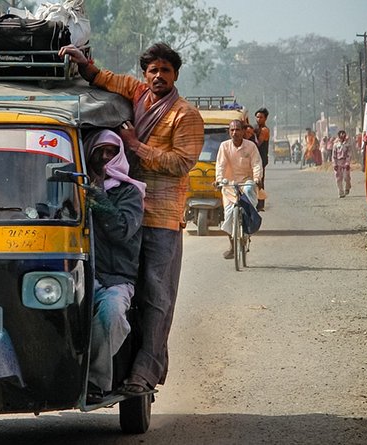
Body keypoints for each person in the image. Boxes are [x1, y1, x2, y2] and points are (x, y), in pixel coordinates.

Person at [59, 42, 204, 394]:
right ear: (145, 74)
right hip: (123, 204)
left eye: (165, 71)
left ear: (175, 75)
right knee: (118, 289)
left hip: (160, 216)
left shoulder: (185, 115)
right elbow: (107, 79)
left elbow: (182, 163)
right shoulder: (137, 93)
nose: (157, 76)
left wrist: (135, 146)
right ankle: (111, 367)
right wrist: (84, 65)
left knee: (155, 295)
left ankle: (144, 372)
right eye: (152, 70)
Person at [83, 129, 145, 402]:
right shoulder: (77, 187)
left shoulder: (130, 192)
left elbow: (122, 230)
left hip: (116, 279)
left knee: (112, 316)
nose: (106, 158)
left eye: (112, 152)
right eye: (100, 152)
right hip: (80, 276)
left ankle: (93, 381)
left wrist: (98, 199)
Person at [215, 120, 263, 259]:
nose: (235, 133)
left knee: (248, 191)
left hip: (246, 182)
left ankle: (250, 215)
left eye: (237, 130)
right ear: (229, 132)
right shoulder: (224, 146)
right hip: (230, 185)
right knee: (229, 215)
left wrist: (257, 179)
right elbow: (220, 166)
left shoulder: (251, 146)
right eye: (232, 130)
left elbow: (256, 164)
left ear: (243, 131)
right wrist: (219, 179)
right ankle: (232, 246)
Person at [253, 108, 270, 211]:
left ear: (265, 118)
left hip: (261, 159)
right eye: (257, 117)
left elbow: (258, 144)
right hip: (255, 158)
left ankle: (260, 204)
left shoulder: (264, 130)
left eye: (261, 117)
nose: (259, 119)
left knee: (259, 181)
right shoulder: (256, 128)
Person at [332, 130, 353, 198]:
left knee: (346, 177)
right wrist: (334, 164)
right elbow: (334, 155)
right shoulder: (335, 145)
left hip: (345, 162)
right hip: (338, 162)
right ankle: (341, 192)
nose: (342, 137)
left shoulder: (348, 145)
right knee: (338, 178)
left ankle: (347, 188)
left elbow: (349, 155)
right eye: (341, 136)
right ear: (339, 136)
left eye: (343, 136)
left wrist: (347, 163)